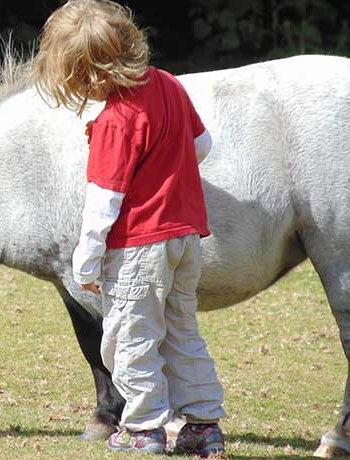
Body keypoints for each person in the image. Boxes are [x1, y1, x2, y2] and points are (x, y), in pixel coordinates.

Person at [31, 0, 226, 456]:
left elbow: (104, 202)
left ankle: (143, 428)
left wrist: (86, 262)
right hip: (185, 238)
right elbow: (202, 147)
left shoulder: (114, 121)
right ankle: (202, 425)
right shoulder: (168, 84)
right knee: (181, 331)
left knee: (130, 338)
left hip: (139, 246)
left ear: (82, 72)